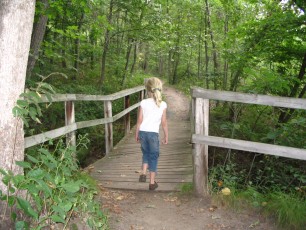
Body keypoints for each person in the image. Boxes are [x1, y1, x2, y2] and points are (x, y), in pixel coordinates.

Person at [135, 77, 168, 190]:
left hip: (143, 132)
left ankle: (143, 173)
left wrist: (137, 133)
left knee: (145, 153)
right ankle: (152, 183)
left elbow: (139, 121)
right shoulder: (163, 104)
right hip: (153, 134)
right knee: (153, 157)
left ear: (147, 90)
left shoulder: (143, 103)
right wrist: (166, 135)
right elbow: (164, 123)